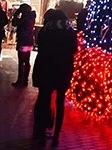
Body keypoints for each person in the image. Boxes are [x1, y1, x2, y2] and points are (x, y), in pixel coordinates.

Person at [32, 9, 78, 144]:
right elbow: (74, 50)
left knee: (43, 99)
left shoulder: (46, 31)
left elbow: (40, 48)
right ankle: (56, 134)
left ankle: (39, 130)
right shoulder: (70, 32)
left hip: (45, 69)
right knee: (60, 102)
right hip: (63, 70)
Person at [12, 3, 36, 87]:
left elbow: (14, 23)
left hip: (23, 40)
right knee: (26, 60)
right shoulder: (31, 17)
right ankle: (25, 79)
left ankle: (20, 80)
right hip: (29, 41)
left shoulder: (25, 18)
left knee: (21, 61)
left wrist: (16, 14)